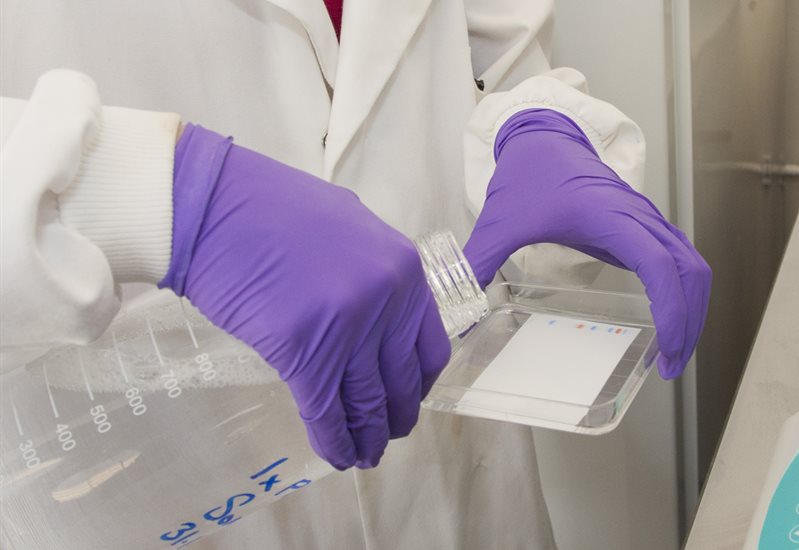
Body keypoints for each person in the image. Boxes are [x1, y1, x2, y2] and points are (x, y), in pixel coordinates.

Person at [0, 1, 710, 548]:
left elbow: (495, 49)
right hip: (155, 471)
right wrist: (150, 193)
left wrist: (532, 124)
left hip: (462, 472)